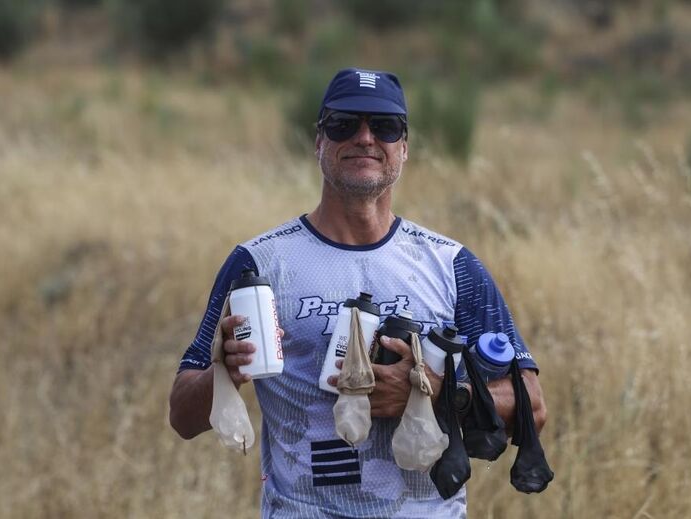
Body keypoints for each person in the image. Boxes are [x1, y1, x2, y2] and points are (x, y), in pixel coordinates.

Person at [169, 67, 547, 518]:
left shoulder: (451, 264)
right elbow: (182, 417)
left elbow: (532, 407)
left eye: (385, 126)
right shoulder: (259, 263)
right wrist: (223, 371)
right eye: (343, 124)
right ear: (318, 142)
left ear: (404, 148)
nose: (365, 138)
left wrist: (436, 394)